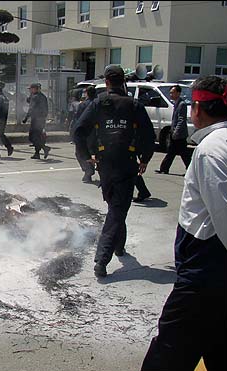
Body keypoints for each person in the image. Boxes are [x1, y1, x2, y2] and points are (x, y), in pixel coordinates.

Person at [141, 76, 227, 371]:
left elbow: (224, 214)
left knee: (169, 352)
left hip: (206, 272)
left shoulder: (211, 150)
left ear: (198, 108)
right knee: (217, 343)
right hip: (212, 270)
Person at [73, 65, 155, 277]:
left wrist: (86, 156)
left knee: (117, 207)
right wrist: (144, 158)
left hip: (105, 165)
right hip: (127, 164)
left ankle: (119, 247)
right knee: (117, 210)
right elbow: (148, 135)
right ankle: (102, 259)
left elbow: (79, 131)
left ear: (107, 82)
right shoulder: (134, 105)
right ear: (122, 82)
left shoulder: (98, 103)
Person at [155, 85, 192, 174]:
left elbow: (181, 120)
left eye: (173, 92)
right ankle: (164, 169)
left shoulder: (182, 104)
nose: (171, 94)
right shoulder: (176, 103)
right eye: (170, 92)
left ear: (178, 93)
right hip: (174, 133)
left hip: (179, 135)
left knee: (184, 154)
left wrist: (176, 132)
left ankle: (191, 170)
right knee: (171, 152)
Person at [73, 86, 96, 183]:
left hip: (85, 133)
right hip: (97, 133)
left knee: (80, 153)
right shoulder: (97, 103)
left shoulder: (83, 105)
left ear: (86, 93)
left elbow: (78, 119)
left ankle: (88, 170)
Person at [22, 83, 51, 159]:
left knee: (32, 137)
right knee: (37, 137)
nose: (30, 90)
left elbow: (31, 108)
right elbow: (28, 101)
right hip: (41, 119)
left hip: (36, 120)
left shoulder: (35, 97)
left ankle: (44, 148)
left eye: (31, 89)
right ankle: (37, 153)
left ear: (35, 89)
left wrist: (26, 118)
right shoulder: (42, 96)